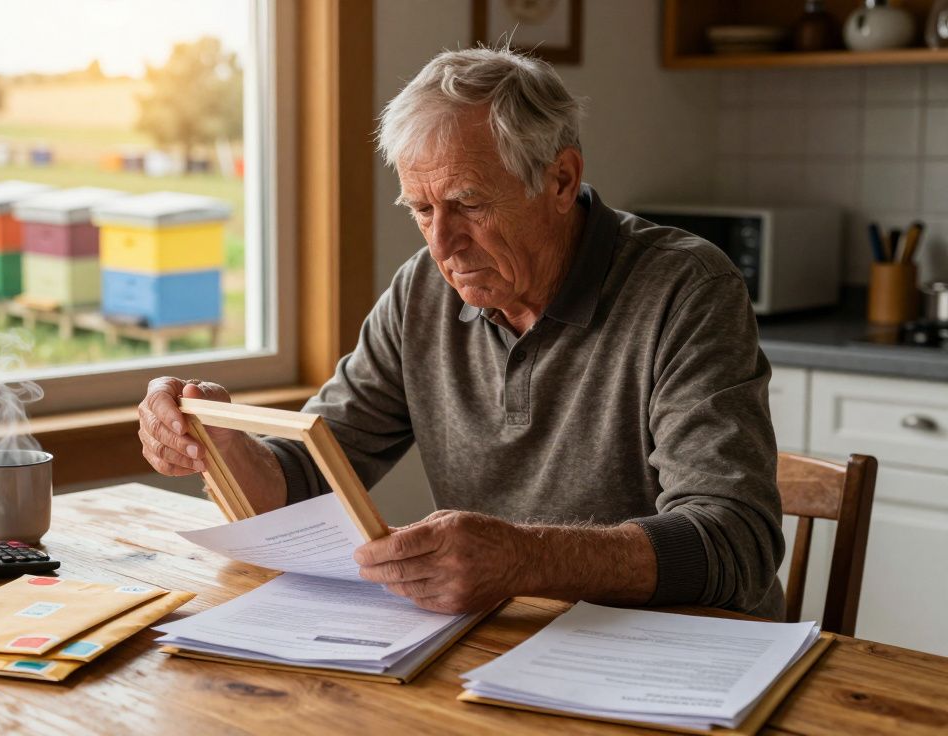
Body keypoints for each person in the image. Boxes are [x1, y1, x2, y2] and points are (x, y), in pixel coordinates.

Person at [136, 47, 784, 619]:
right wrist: (221, 445)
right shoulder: (422, 291)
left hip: (676, 655)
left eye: (469, 203)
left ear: (561, 180)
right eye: (422, 210)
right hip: (504, 645)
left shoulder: (686, 287)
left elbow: (737, 541)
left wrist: (526, 558)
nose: (443, 244)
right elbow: (309, 476)